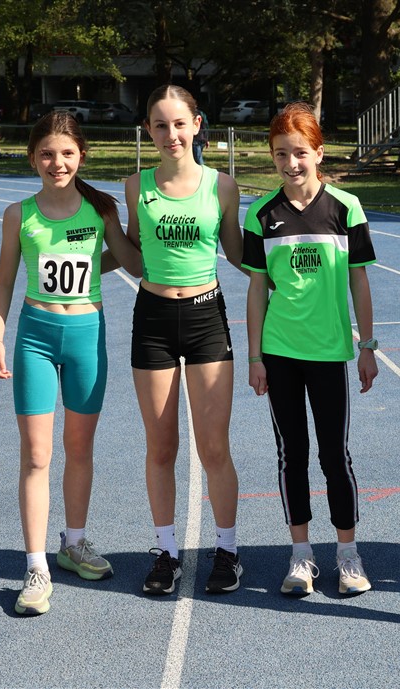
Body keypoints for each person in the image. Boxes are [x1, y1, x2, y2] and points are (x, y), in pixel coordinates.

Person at [0, 111, 141, 615]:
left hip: (86, 337)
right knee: (36, 455)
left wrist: (145, 223)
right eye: (48, 154)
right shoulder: (19, 214)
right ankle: (36, 565)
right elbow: (4, 280)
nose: (58, 163)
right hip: (35, 336)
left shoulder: (100, 210)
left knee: (79, 448)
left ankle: (73, 543)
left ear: (82, 157)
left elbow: (133, 262)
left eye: (68, 154)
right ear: (32, 158)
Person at [243, 102, 378, 596]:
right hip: (279, 352)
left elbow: (359, 282)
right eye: (281, 153)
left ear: (319, 153)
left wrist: (368, 346)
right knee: (291, 454)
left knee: (334, 455)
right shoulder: (261, 215)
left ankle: (348, 555)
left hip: (329, 352)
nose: (291, 162)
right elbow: (257, 290)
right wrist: (255, 357)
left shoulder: (346, 208)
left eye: (300, 152)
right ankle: (300, 555)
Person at [124, 84, 245, 596]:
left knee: (214, 447)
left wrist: (295, 279)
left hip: (205, 319)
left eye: (179, 123)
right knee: (161, 447)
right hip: (152, 319)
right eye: (160, 125)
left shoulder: (222, 187)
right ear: (148, 131)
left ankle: (227, 551)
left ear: (197, 125)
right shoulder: (135, 186)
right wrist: (76, 255)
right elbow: (133, 255)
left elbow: (239, 254)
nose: (170, 134)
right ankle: (167, 552)